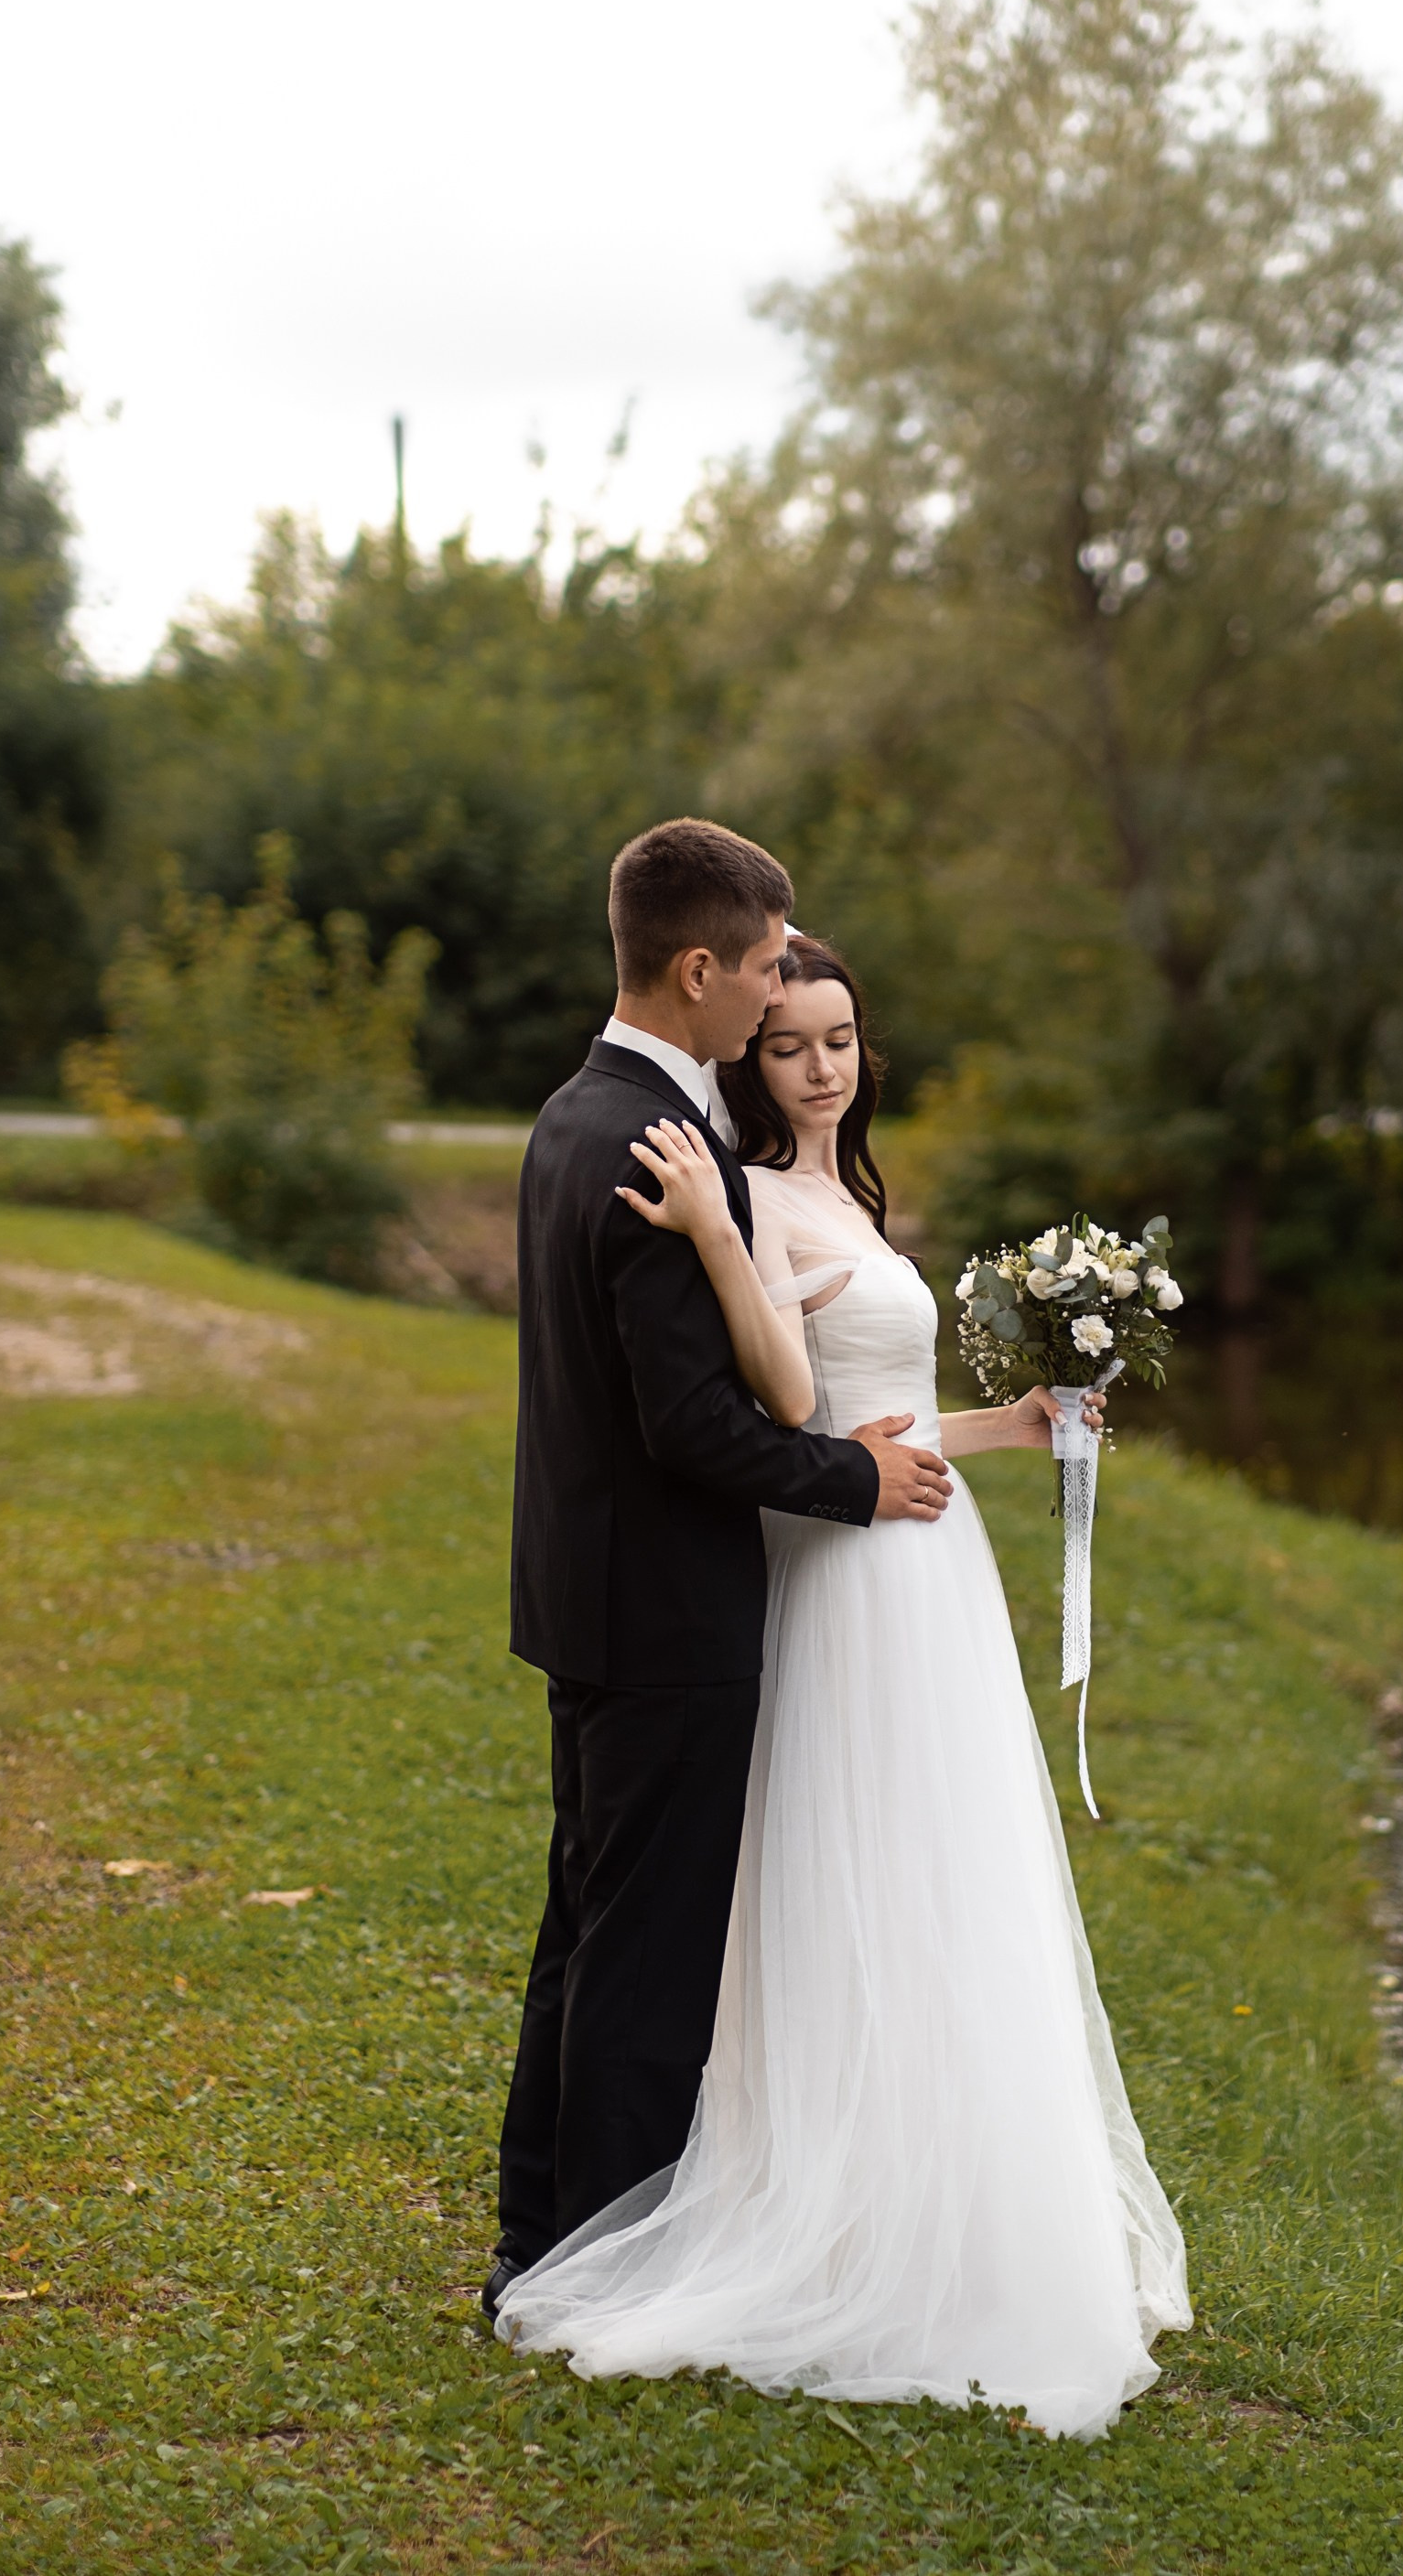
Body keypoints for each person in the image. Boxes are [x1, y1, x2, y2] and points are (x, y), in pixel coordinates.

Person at [495, 933, 1191, 2436]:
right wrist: (731, 1244)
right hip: (832, 1557)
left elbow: (882, 1413)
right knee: (810, 1877)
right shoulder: (728, 1189)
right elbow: (797, 1409)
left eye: (842, 1038)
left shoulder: (852, 1196)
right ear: (743, 1044)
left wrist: (1012, 1427)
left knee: (934, 1880)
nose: (819, 1062)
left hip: (912, 1559)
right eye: (791, 1036)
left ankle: (916, 2186)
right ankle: (703, 2210)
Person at [489, 826, 953, 2319]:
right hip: (668, 1612)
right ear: (700, 967)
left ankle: (536, 2246)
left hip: (592, 1595)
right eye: (762, 968)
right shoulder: (646, 1142)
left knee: (588, 1933)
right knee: (646, 1962)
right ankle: (606, 2271)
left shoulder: (581, 1110)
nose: (774, 1000)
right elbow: (692, 1428)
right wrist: (857, 1481)